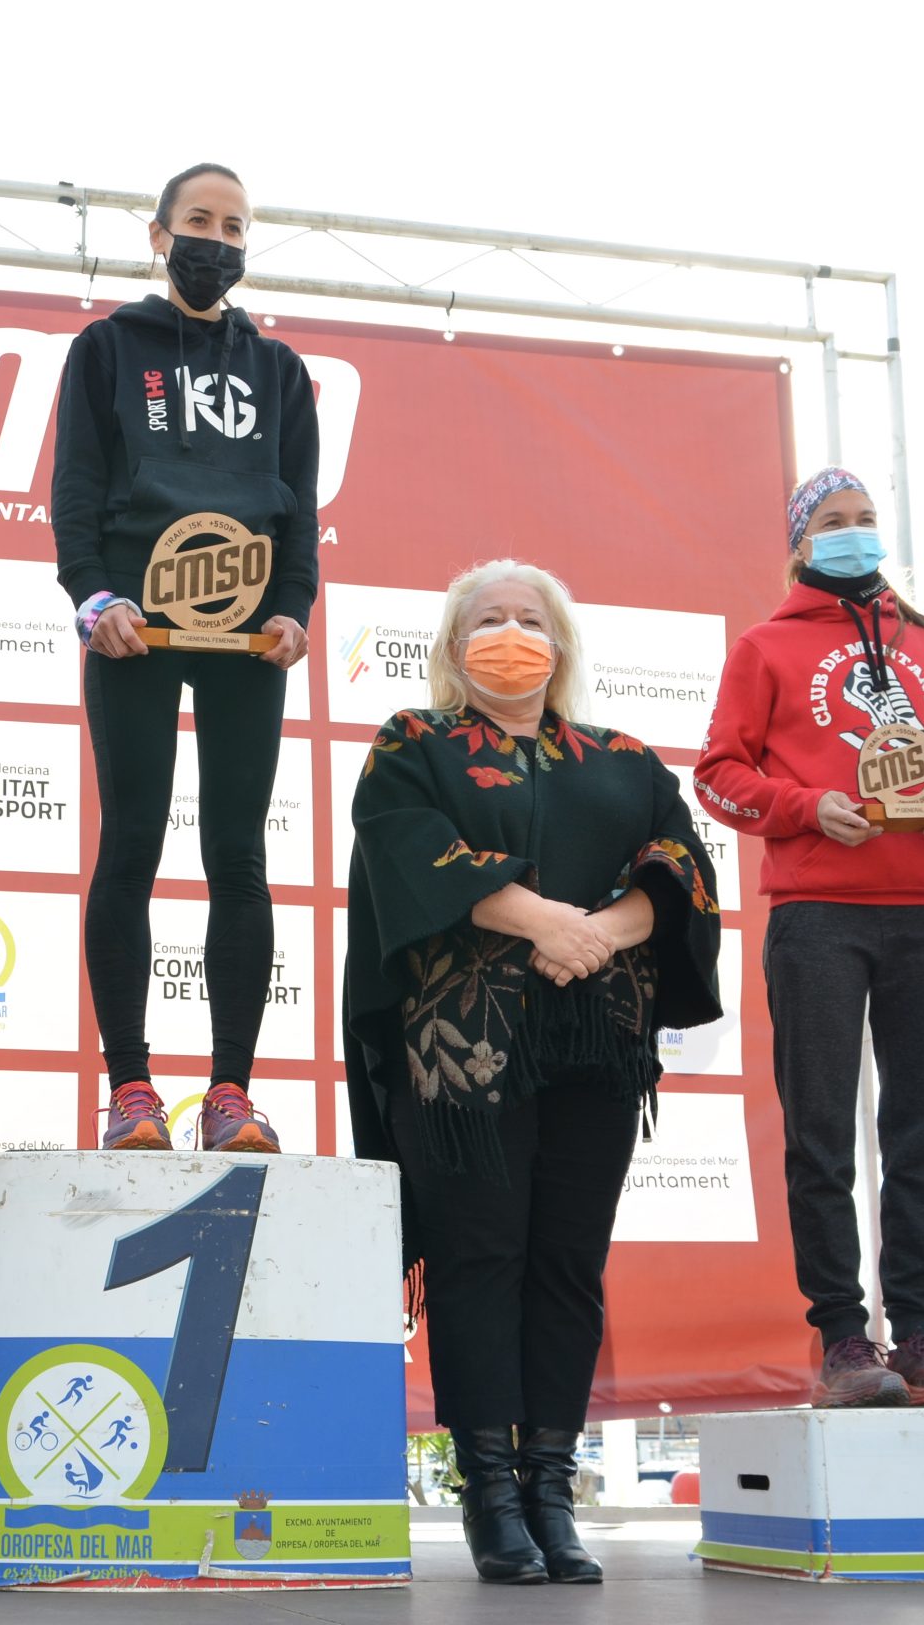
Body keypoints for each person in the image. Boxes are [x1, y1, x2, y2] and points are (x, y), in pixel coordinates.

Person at [344, 560, 722, 1585]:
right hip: (460, 1052)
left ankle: (552, 1489)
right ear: (449, 643)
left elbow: (683, 867)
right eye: (486, 619)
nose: (509, 633)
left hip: (595, 1039)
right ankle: (489, 1495)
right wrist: (548, 919)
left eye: (529, 619)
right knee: (477, 1261)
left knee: (565, 1263)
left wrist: (597, 934)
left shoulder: (624, 755)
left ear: (561, 644)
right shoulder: (410, 742)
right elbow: (407, 851)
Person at [692, 467, 924, 1409]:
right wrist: (807, 806)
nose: (854, 534)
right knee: (820, 1133)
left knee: (921, 1136)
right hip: (818, 914)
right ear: (799, 542)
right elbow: (717, 774)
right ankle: (843, 1341)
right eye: (833, 522)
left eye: (866, 520)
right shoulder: (766, 647)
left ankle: (921, 1338)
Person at [51, 161, 318, 1155]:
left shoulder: (281, 372)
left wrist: (293, 610)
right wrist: (94, 598)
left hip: (246, 635)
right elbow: (76, 490)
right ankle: (130, 1089)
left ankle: (231, 1093)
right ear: (159, 237)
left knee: (237, 856)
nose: (217, 239)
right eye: (198, 221)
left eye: (235, 226)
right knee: (131, 845)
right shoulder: (107, 350)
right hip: (137, 624)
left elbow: (301, 513)